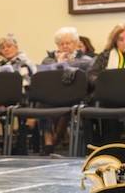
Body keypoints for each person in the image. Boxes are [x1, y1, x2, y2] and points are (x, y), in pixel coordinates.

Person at [35, 26, 94, 155]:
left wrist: (68, 64)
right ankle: (48, 142)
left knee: (68, 105)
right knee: (41, 103)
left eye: (68, 43)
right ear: (57, 45)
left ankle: (55, 139)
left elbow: (89, 81)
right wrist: (58, 63)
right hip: (51, 96)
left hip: (74, 97)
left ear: (76, 43)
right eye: (61, 44)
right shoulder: (48, 60)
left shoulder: (85, 60)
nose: (65, 46)